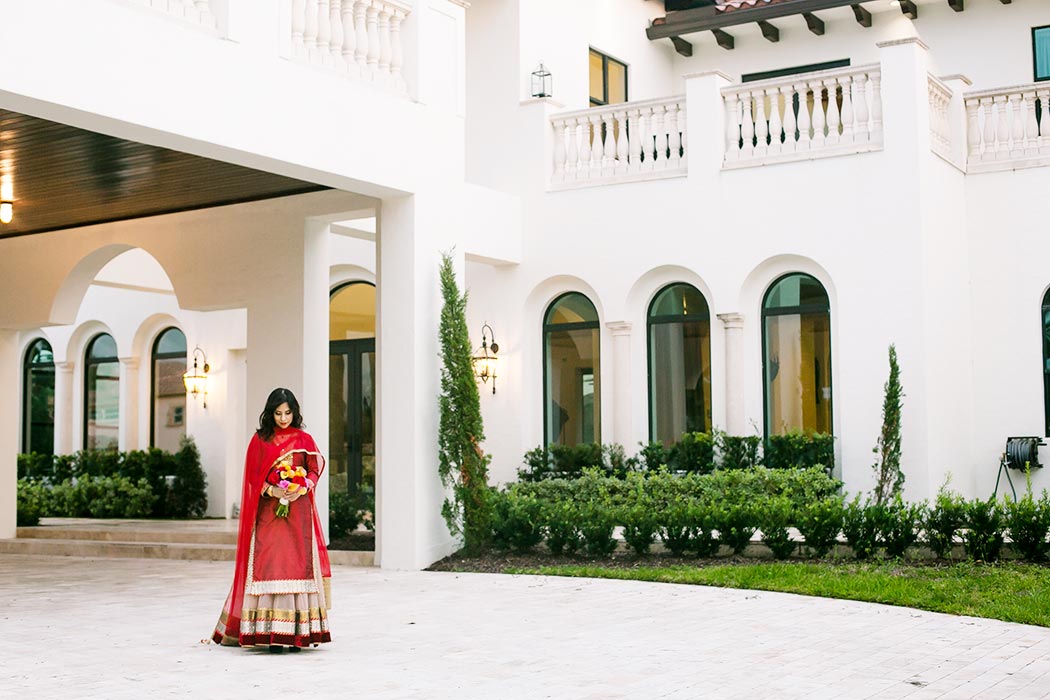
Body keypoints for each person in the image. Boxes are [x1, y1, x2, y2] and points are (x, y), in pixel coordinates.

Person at [212, 387, 332, 650]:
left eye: (288, 413)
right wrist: (273, 489)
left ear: (295, 412)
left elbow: (314, 469)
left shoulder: (304, 439)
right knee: (269, 563)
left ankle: (296, 634)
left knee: (297, 564)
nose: (283, 418)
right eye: (278, 413)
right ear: (270, 413)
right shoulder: (261, 440)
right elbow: (254, 477)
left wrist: (303, 486)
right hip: (269, 514)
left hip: (299, 513)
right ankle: (268, 634)